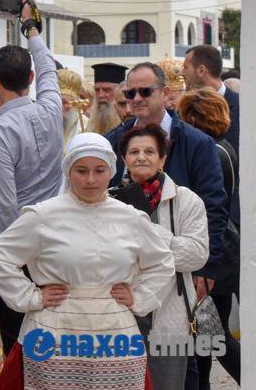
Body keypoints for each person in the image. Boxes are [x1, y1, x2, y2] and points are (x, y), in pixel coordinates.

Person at [0, 133, 174, 390]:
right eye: (81, 170)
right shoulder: (44, 215)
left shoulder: (131, 218)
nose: (90, 179)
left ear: (111, 172)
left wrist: (138, 297)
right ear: (69, 171)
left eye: (99, 170)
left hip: (115, 332)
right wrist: (31, 296)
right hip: (54, 329)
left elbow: (162, 263)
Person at [102, 63, 228, 327]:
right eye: (130, 93)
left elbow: (214, 207)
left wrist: (207, 269)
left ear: (165, 92)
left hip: (181, 272)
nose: (136, 99)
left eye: (145, 91)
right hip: (127, 276)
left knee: (192, 350)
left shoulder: (198, 142)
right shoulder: (112, 141)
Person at [0, 0, 62, 357]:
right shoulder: (51, 108)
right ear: (30, 78)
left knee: (21, 346)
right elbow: (48, 67)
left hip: (25, 249)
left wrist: (3, 267)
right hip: (61, 239)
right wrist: (30, 28)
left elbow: (7, 203)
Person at [114, 124, 209, 389]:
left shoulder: (186, 200)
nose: (141, 157)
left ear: (162, 158)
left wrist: (151, 233)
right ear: (124, 160)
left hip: (169, 315)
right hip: (122, 313)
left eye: (149, 151)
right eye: (134, 152)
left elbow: (197, 255)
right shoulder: (111, 203)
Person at [177, 89, 241, 387]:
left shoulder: (211, 150)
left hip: (215, 255)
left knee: (213, 337)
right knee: (205, 338)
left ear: (192, 117)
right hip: (222, 251)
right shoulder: (222, 146)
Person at [182, 45, 240, 161]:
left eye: (186, 68)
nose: (182, 73)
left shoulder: (241, 107)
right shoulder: (185, 109)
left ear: (201, 70)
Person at [86, 62, 126, 135]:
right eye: (97, 90)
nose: (100, 95)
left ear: (120, 92)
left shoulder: (129, 117)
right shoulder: (90, 122)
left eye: (107, 90)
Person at [58, 68, 88, 152]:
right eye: (57, 102)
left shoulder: (86, 124)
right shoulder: (47, 124)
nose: (60, 107)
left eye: (64, 103)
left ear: (75, 104)